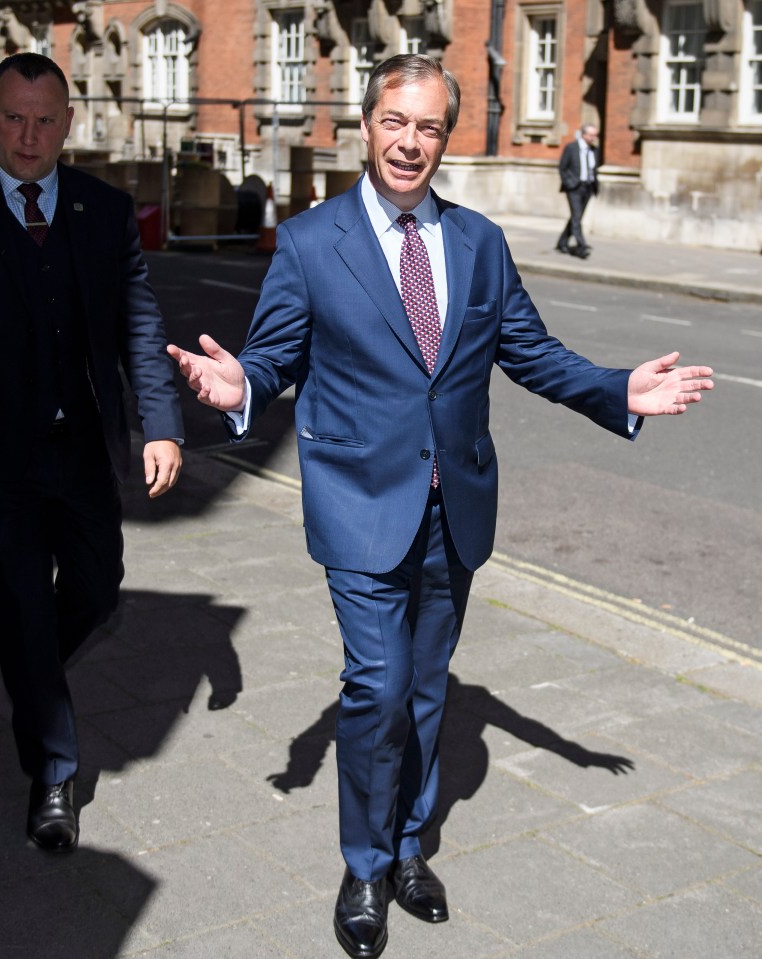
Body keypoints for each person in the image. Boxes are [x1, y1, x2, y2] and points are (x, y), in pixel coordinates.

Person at [168, 55, 713, 959]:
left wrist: (618, 389)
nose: (410, 142)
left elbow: (531, 352)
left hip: (453, 504)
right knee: (375, 686)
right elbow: (272, 362)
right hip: (358, 500)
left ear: (444, 138)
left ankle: (410, 845)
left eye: (428, 127)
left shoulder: (479, 242)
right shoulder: (311, 242)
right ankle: (363, 863)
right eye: (396, 122)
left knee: (425, 691)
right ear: (366, 123)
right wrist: (238, 389)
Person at [0, 53, 184, 853]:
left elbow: (139, 326)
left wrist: (160, 423)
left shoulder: (103, 208)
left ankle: (29, 665)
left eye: (44, 120)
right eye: (13, 118)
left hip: (83, 448)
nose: (28, 136)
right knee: (20, 599)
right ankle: (53, 771)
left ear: (68, 123)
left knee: (98, 588)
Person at [556, 123, 600, 259]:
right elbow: (562, 167)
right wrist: (569, 183)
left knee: (577, 217)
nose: (594, 138)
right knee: (576, 217)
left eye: (595, 135)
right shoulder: (571, 148)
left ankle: (562, 242)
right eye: (591, 135)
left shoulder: (594, 150)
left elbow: (594, 169)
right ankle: (581, 246)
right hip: (574, 188)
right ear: (584, 134)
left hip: (588, 187)